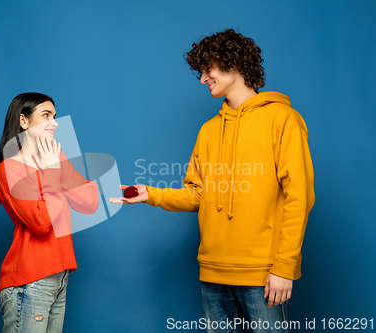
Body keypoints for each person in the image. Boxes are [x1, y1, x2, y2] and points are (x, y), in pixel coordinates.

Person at [109, 29, 315, 333]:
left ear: (232, 64)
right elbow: (197, 196)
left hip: (263, 275)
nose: (203, 78)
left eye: (208, 69)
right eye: (200, 72)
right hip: (213, 273)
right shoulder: (208, 131)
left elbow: (300, 197)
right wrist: (150, 194)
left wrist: (284, 268)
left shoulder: (283, 120)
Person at [0, 92, 99, 333]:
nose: (55, 123)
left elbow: (90, 201)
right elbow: (41, 221)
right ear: (24, 121)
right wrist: (53, 175)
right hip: (29, 280)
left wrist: (54, 171)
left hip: (59, 276)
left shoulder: (54, 158)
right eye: (46, 115)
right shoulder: (10, 169)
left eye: (55, 116)